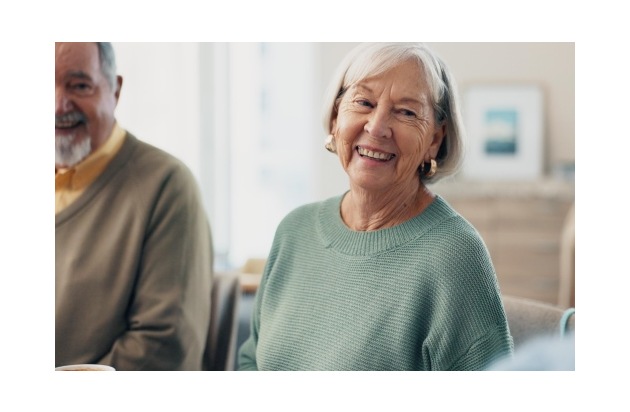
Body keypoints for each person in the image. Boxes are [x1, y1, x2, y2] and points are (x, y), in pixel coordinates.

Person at [238, 42, 514, 371]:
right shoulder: (294, 231)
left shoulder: (454, 255)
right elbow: (251, 361)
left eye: (407, 112)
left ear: (435, 140)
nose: (377, 127)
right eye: (364, 102)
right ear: (336, 118)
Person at [55, 42, 213, 370]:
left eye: (79, 85)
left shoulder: (167, 185)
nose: (57, 105)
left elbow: (164, 351)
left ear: (115, 90)